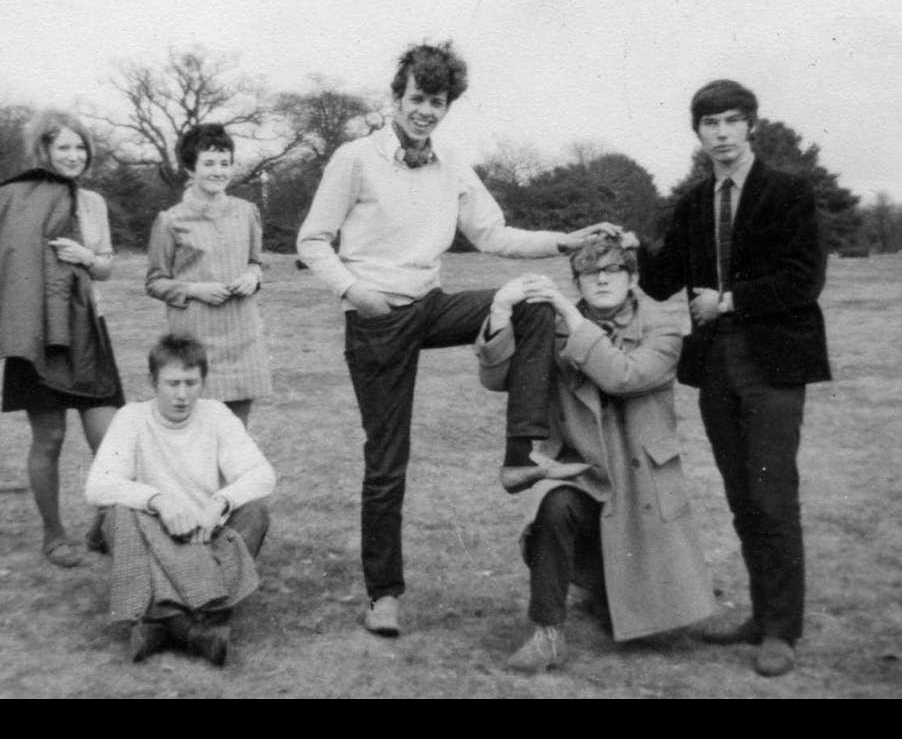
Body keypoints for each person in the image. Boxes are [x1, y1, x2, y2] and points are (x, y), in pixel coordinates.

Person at [297, 40, 620, 636]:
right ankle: (384, 595)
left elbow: (494, 234)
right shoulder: (354, 158)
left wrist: (566, 240)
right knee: (387, 462)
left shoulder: (450, 165)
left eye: (437, 102)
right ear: (396, 97)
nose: (425, 111)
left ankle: (519, 456)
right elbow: (312, 240)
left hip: (432, 304)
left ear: (448, 106)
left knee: (529, 304)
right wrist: (353, 293)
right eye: (417, 98)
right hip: (375, 318)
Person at [636, 80, 831, 677]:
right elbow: (664, 279)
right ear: (697, 133)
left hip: (773, 365)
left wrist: (727, 301)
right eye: (708, 124)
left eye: (730, 121)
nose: (720, 133)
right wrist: (628, 245)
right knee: (743, 498)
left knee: (772, 495)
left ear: (751, 126)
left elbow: (804, 280)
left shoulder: (789, 192)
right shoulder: (696, 201)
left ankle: (780, 630)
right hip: (717, 369)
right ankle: (759, 614)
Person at [477, 234, 715, 672]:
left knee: (639, 608)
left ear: (633, 277)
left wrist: (568, 313)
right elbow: (498, 380)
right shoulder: (550, 325)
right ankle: (547, 634)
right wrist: (499, 312)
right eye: (589, 273)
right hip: (582, 468)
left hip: (640, 473)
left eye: (612, 271)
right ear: (578, 281)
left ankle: (605, 591)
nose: (602, 280)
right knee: (552, 507)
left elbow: (624, 376)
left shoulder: (662, 325)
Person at [0, 109, 124, 568]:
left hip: (88, 330)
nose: (73, 155)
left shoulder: (94, 202)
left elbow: (105, 265)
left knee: (112, 437)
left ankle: (109, 523)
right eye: (63, 147)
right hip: (35, 332)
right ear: (44, 150)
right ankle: (53, 536)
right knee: (49, 437)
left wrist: (86, 255)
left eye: (80, 147)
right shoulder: (13, 198)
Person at [85, 333, 275, 666]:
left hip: (205, 530)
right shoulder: (131, 417)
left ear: (203, 381)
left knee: (256, 511)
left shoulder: (216, 415)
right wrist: (157, 500)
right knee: (116, 515)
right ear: (153, 382)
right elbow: (98, 485)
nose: (183, 395)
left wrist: (220, 503)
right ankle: (194, 627)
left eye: (191, 383)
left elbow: (262, 475)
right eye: (172, 383)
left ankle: (159, 621)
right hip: (154, 531)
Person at [146, 123, 272, 426]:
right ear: (190, 168)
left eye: (225, 163)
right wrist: (193, 289)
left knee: (235, 433)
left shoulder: (247, 212)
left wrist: (253, 277)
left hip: (242, 335)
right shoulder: (170, 221)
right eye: (209, 163)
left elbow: (256, 262)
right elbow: (155, 281)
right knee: (197, 433)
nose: (218, 171)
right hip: (196, 339)